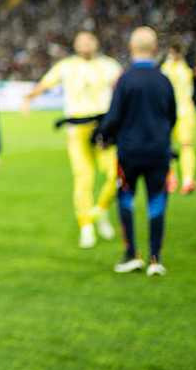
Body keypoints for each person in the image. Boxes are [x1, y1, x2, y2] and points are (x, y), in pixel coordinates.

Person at [22, 31, 122, 249]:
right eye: (81, 41)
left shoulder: (110, 65)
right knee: (83, 177)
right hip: (77, 129)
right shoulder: (66, 66)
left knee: (117, 174)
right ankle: (86, 225)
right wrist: (28, 98)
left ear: (96, 42)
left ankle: (102, 210)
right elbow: (45, 84)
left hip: (104, 129)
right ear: (76, 45)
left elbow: (124, 88)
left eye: (89, 40)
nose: (85, 44)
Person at [95, 27, 177, 277]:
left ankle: (132, 254)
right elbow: (172, 116)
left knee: (126, 200)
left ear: (131, 48)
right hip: (158, 152)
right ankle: (155, 258)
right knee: (157, 202)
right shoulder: (164, 80)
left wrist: (103, 136)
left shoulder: (126, 79)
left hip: (129, 153)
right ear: (154, 49)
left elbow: (114, 116)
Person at [161, 42, 196, 195]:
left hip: (172, 113)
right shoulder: (186, 68)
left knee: (177, 147)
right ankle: (184, 179)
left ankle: (176, 179)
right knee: (184, 146)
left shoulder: (166, 68)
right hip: (183, 112)